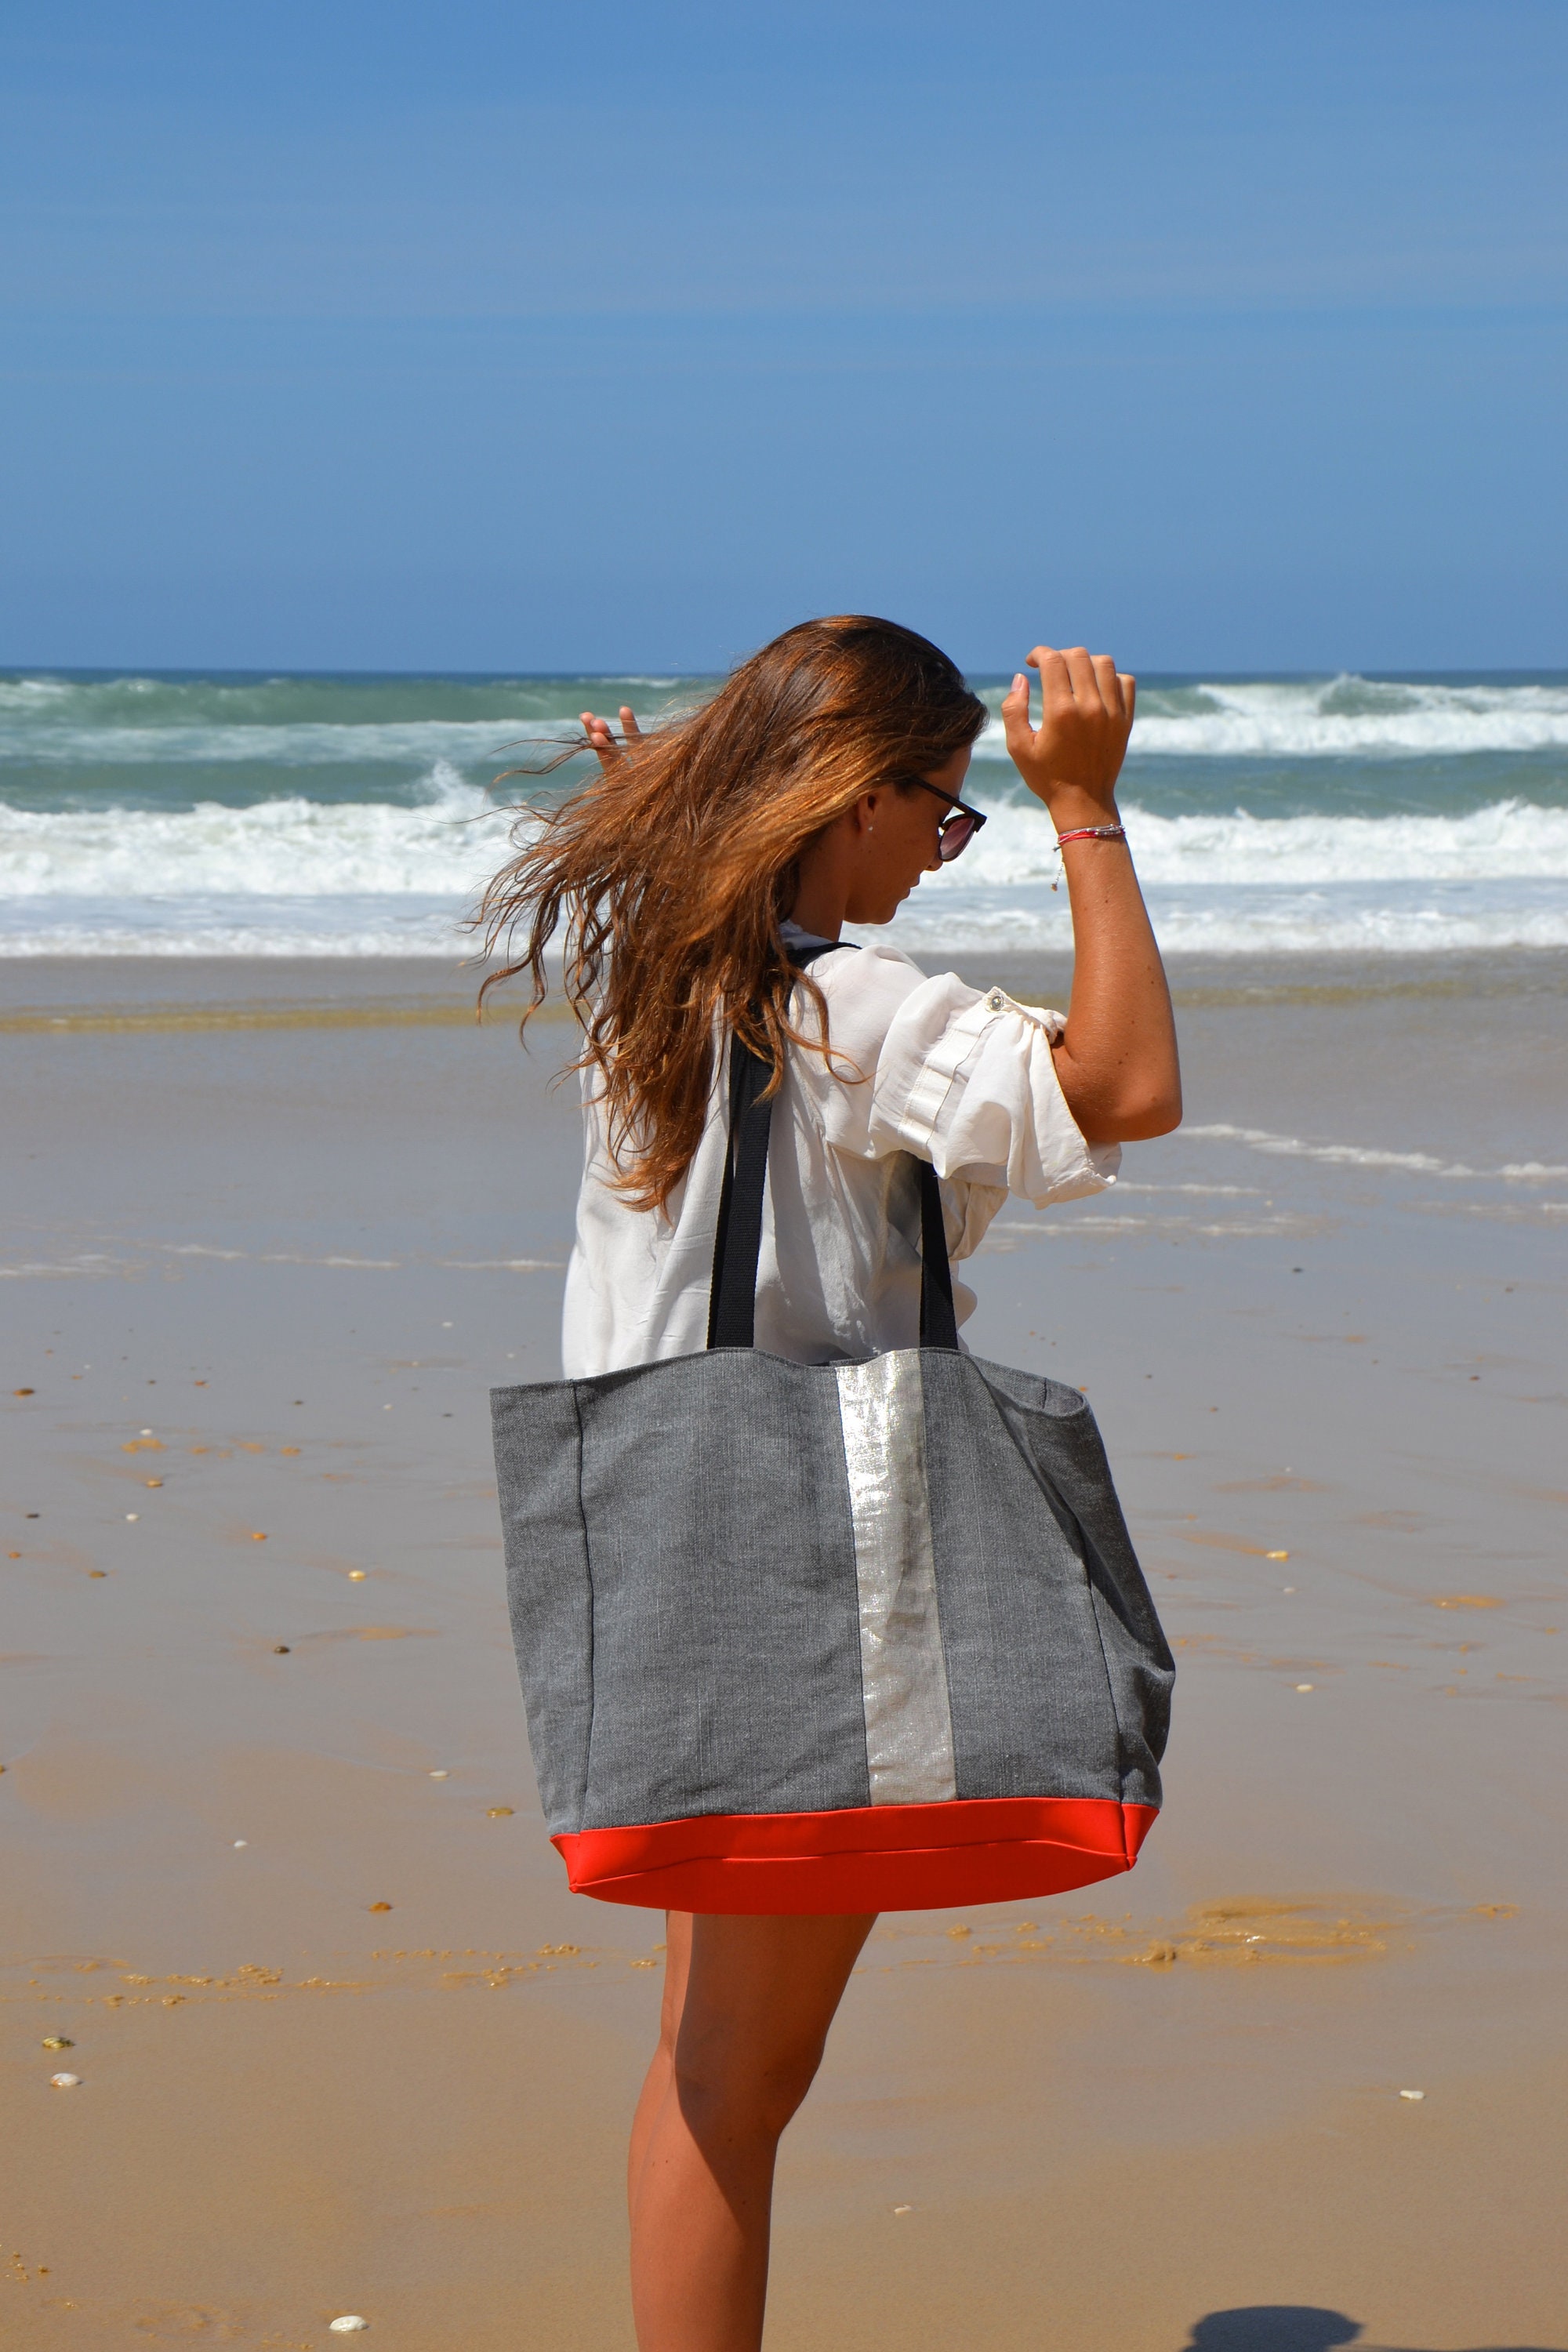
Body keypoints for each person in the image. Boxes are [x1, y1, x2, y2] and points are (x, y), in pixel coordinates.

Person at [476, 615, 1181, 2352]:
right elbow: (1131, 1087)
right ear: (849, 797)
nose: (945, 856)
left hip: (683, 1554)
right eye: (942, 817)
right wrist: (1086, 810)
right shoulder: (848, 1003)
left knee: (702, 2067)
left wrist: (670, 805)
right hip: (812, 1572)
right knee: (735, 2080)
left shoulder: (667, 980)